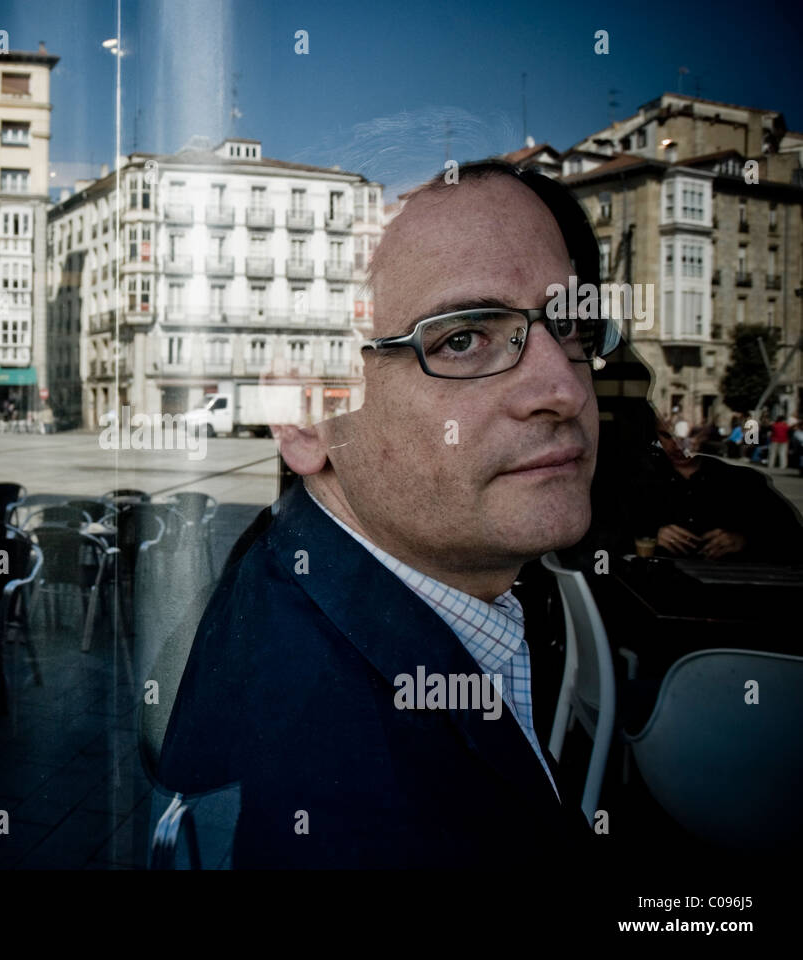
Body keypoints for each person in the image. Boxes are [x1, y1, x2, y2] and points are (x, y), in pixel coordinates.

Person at [157, 161, 605, 868]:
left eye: (570, 325)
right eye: (462, 339)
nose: (561, 388)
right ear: (306, 416)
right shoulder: (363, 800)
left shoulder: (312, 573)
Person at [631, 413, 803, 562]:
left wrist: (745, 541)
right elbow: (609, 533)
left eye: (690, 436)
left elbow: (791, 538)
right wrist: (649, 536)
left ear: (706, 434)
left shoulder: (743, 481)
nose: (678, 445)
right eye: (667, 436)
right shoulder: (637, 479)